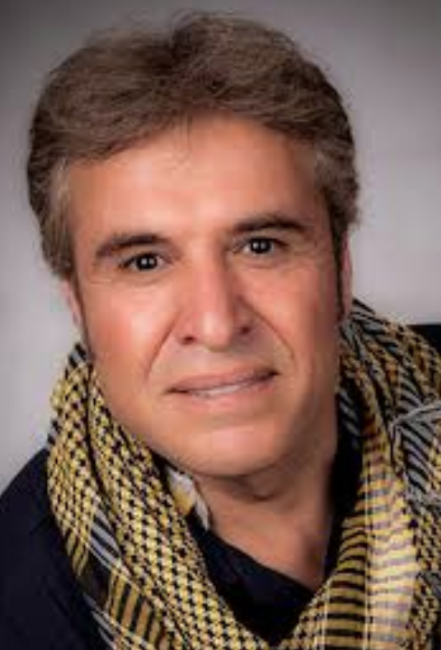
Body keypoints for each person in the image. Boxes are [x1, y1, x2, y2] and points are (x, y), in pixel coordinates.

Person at [1, 11, 441, 650]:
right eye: (144, 262)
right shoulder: (20, 600)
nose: (216, 323)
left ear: (341, 269)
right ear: (78, 305)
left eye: (261, 246)